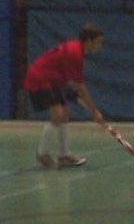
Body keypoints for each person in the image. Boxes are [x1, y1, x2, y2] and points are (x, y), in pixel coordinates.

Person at [22, 23, 105, 169]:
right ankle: (42, 154)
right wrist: (94, 111)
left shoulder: (76, 50)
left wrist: (76, 96)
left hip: (52, 80)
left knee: (65, 113)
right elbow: (80, 87)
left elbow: (68, 79)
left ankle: (64, 156)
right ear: (89, 41)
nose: (99, 46)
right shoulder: (75, 53)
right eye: (98, 42)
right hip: (39, 78)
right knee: (57, 114)